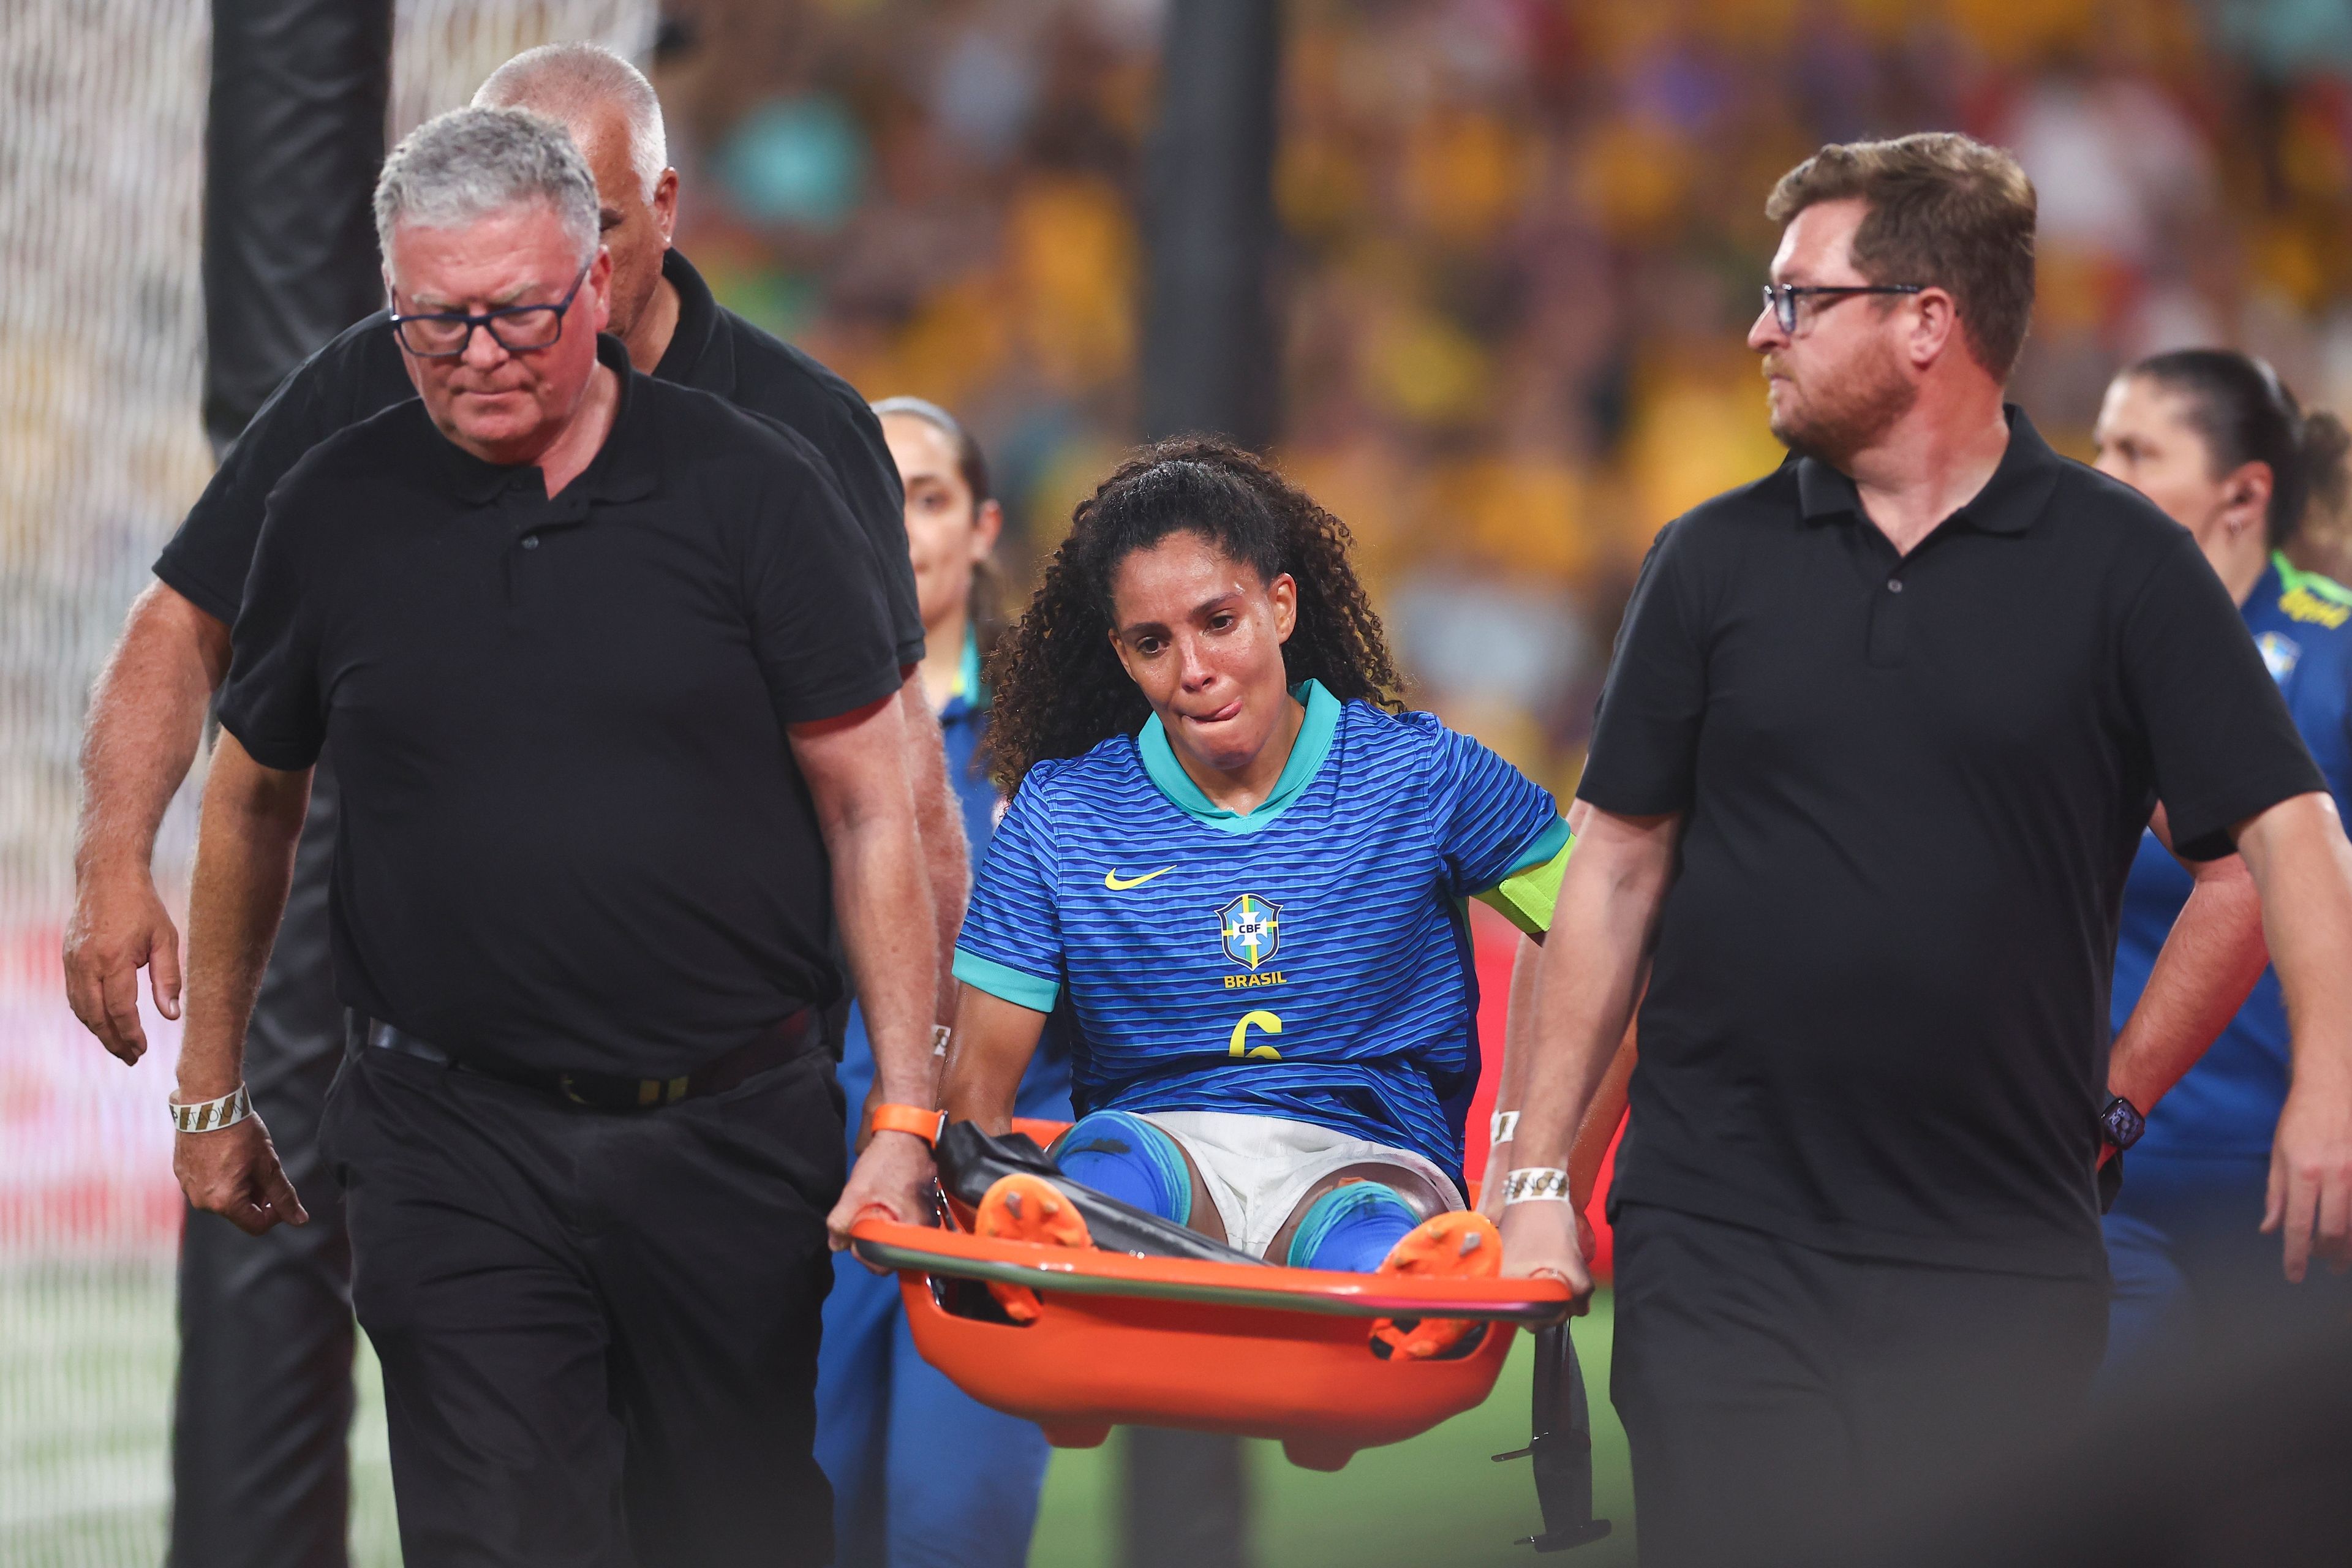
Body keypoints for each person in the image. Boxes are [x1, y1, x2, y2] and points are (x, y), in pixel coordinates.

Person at [59, 43, 966, 1567]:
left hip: (732, 1112)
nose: (480, 336)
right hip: (445, 1122)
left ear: (652, 217)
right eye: (442, 307)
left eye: (575, 233)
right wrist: (112, 862)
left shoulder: (796, 444)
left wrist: (920, 1096)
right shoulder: (369, 410)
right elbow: (192, 646)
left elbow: (894, 792)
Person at [1497, 133, 2352, 1566]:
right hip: (1720, 1235)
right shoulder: (1707, 560)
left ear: (1926, 322)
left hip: (1997, 1258)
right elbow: (1615, 868)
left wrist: (2264, 1087)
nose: (1760, 329)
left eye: (1797, 299)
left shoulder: (2124, 563)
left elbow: (2283, 834)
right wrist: (1534, 1181)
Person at [850, 439, 1576, 1357]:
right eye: (1154, 643)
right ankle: (1071, 1256)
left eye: (1218, 622)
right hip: (1157, 1159)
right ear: (1121, 654)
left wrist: (1534, 1167)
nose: (1193, 668)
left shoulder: (1427, 776)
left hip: (1369, 1160)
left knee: (1366, 1229)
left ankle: (1398, 1280)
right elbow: (979, 1096)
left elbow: (1603, 934)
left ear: (1280, 605)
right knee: (1104, 1179)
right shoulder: (1061, 815)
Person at [813, 397, 1072, 1568]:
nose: (899, 525)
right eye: (870, 493)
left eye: (926, 496)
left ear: (981, 527)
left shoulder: (1071, 741)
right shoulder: (773, 717)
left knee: (948, 1529)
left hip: (992, 1190)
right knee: (795, 1516)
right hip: (804, 1182)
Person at [2089, 350, 2352, 1387]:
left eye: (2137, 449)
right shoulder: (2088, 652)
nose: (2099, 471)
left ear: (2245, 493)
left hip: (2298, 1178)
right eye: (2102, 440)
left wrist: (2336, 1101)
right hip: (2102, 1173)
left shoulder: (2338, 662)